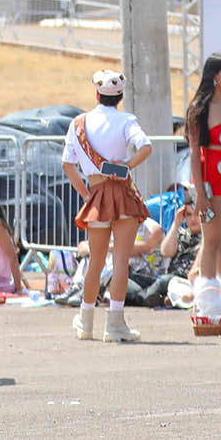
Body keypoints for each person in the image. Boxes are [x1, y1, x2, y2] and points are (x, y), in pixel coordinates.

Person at [62, 68, 153, 343]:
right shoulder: (127, 120)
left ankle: (86, 321)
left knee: (96, 262)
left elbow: (68, 164)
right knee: (122, 261)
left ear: (97, 94)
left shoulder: (78, 123)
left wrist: (84, 193)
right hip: (123, 194)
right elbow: (146, 147)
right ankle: (115, 324)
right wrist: (127, 166)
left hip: (97, 194)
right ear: (120, 96)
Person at [183, 53, 221, 318]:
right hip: (211, 180)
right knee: (213, 240)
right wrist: (200, 192)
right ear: (215, 75)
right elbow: (195, 153)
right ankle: (208, 305)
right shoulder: (200, 107)